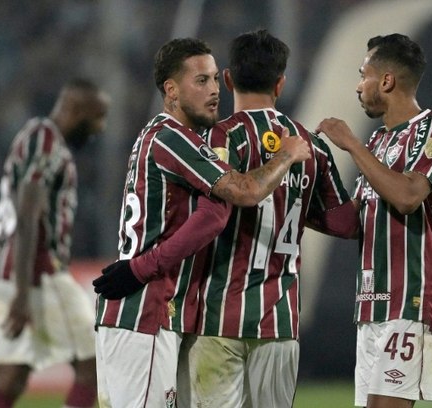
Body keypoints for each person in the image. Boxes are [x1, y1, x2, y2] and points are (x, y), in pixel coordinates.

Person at [91, 37, 311, 407]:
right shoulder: (172, 138)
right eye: (201, 81)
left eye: (213, 79)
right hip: (146, 309)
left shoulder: (162, 138)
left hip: (143, 310)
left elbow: (213, 213)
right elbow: (238, 195)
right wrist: (285, 157)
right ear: (171, 90)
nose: (213, 91)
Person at [177, 29, 359, 408]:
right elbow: (345, 223)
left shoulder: (216, 138)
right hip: (279, 320)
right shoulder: (309, 144)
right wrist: (292, 202)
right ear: (281, 82)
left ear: (227, 79)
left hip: (218, 315)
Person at [315, 33, 432, 408]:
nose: (358, 86)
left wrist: (351, 144)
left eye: (363, 74)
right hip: (372, 302)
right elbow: (353, 223)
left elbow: (409, 196)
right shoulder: (378, 143)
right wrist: (296, 204)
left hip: (413, 297)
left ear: (387, 81)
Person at [0, 78, 110, 408]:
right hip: (37, 269)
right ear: (78, 110)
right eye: (98, 117)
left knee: (11, 379)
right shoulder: (46, 140)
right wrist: (23, 292)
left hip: (9, 266)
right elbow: (28, 212)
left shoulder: (37, 135)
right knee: (95, 363)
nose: (100, 127)